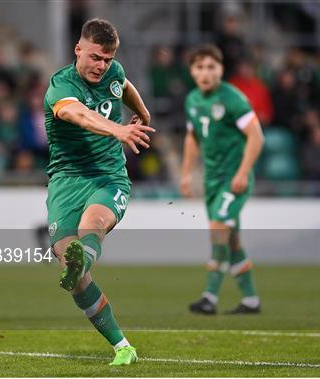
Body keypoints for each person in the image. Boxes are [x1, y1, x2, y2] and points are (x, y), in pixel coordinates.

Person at [44, 18, 153, 365]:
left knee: (93, 226)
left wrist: (142, 111)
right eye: (95, 57)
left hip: (108, 178)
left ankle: (81, 258)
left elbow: (124, 83)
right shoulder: (59, 86)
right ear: (78, 49)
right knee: (70, 266)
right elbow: (79, 115)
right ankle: (122, 346)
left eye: (107, 59)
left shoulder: (113, 72)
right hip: (67, 181)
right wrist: (118, 130)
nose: (101, 66)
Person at [180, 44, 264, 315]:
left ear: (221, 70)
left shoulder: (233, 99)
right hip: (212, 181)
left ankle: (209, 298)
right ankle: (251, 300)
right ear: (192, 71)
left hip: (233, 179)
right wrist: (185, 173)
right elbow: (192, 138)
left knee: (218, 230)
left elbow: (256, 136)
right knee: (232, 241)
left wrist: (242, 173)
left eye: (211, 67)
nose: (206, 73)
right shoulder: (193, 100)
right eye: (200, 67)